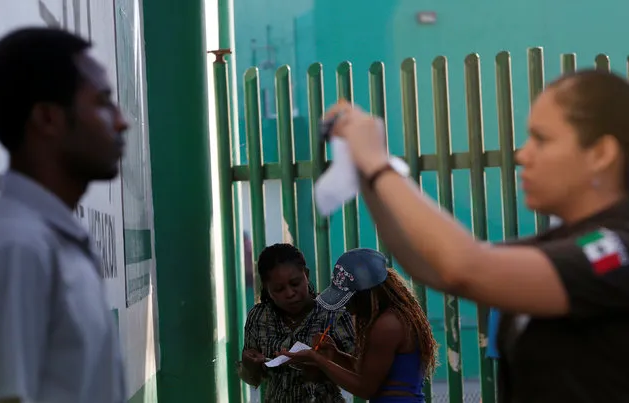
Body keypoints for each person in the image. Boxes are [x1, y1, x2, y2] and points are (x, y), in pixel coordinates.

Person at [316, 69, 629, 402]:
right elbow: (431, 266)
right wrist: (367, 175)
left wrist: (379, 165)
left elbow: (466, 268)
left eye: (542, 139)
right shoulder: (562, 242)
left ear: (600, 154)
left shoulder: (615, 249)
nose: (523, 154)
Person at [0, 28, 128, 403]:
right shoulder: (17, 246)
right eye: (102, 103)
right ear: (48, 118)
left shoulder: (53, 239)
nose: (121, 121)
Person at [281, 248, 437, 402]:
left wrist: (318, 360)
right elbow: (370, 372)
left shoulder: (387, 325)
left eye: (347, 299)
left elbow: (365, 388)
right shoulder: (390, 318)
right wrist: (334, 355)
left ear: (365, 294)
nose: (345, 307)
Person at [238, 243, 356, 402]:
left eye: (295, 283)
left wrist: (323, 369)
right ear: (267, 289)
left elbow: (360, 373)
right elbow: (253, 380)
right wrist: (249, 366)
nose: (290, 293)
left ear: (306, 275)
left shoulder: (334, 313)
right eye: (279, 289)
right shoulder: (259, 317)